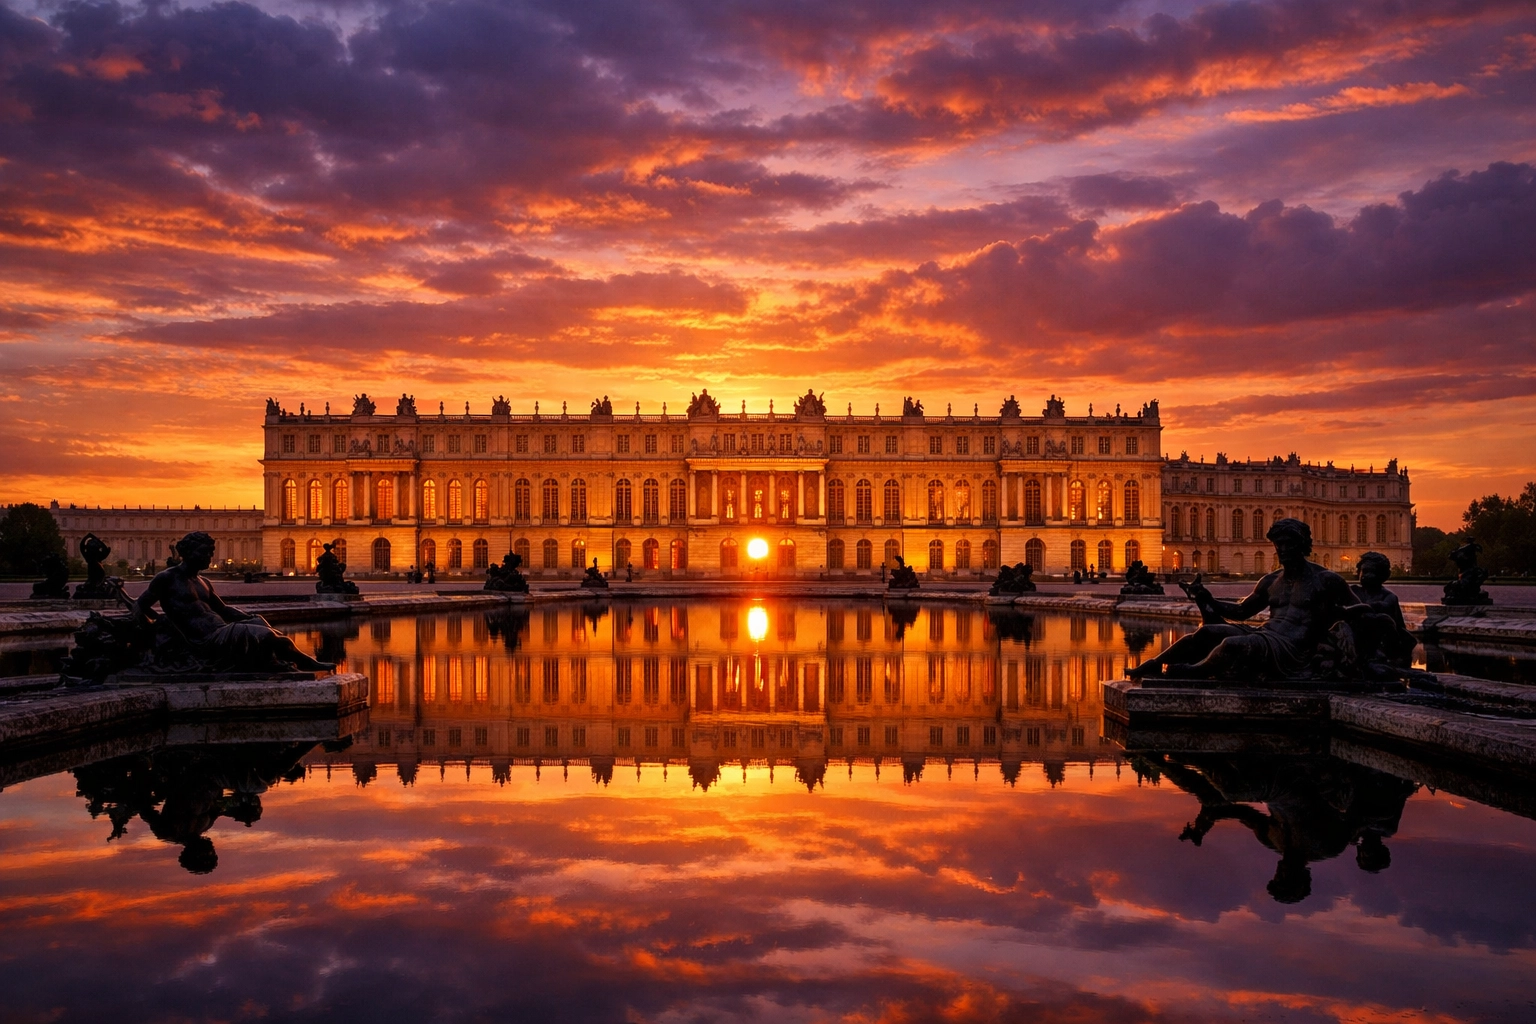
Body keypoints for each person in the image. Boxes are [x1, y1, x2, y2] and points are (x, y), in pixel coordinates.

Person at [1129, 518, 1364, 681]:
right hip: (1265, 634)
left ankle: (1190, 671)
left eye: (1288, 545)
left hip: (1292, 649)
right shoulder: (1272, 580)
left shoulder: (1326, 580)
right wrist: (1207, 598)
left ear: (1302, 546)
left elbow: (1361, 612)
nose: (1282, 550)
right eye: (1278, 545)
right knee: (1206, 634)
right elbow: (1241, 611)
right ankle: (1155, 663)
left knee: (1233, 645)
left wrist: (1342, 618)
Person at [136, 532, 333, 673]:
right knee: (271, 637)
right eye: (204, 552)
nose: (209, 557)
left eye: (210, 552)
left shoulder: (203, 582)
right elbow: (140, 606)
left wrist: (249, 617)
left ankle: (274, 660)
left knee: (259, 623)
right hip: (205, 640)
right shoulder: (168, 578)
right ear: (188, 552)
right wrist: (161, 623)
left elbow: (223, 609)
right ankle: (305, 663)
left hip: (221, 630)